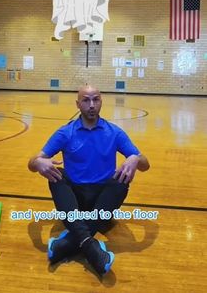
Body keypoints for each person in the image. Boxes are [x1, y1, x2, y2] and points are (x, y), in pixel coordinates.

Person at [28, 85, 150, 275]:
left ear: (101, 101)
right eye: (86, 100)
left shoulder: (114, 132)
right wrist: (38, 164)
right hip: (74, 201)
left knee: (121, 181)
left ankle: (68, 243)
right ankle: (90, 245)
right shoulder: (65, 133)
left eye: (96, 99)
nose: (91, 105)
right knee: (56, 175)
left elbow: (145, 164)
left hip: (102, 201)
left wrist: (134, 158)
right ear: (78, 104)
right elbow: (33, 161)